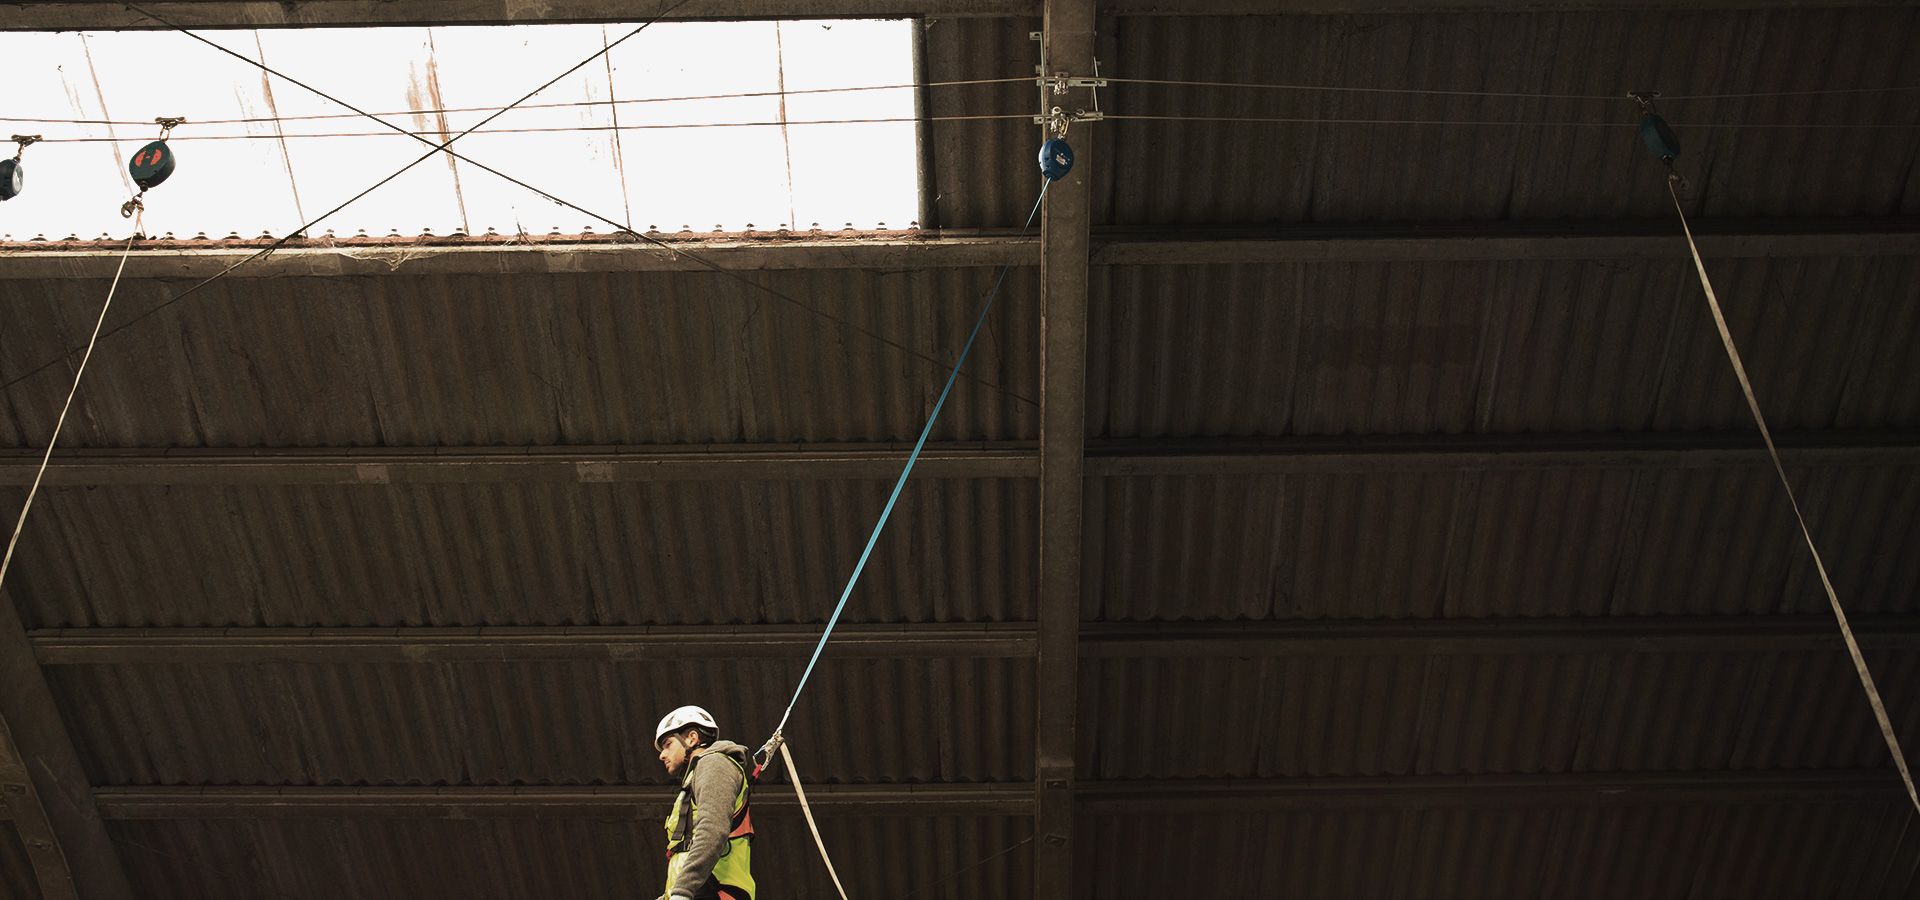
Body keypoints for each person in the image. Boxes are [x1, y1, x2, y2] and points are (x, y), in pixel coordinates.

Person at [654, 705, 757, 900]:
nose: (662, 754)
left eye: (667, 744)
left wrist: (682, 892)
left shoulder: (714, 764)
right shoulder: (697, 776)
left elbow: (712, 829)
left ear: (692, 738)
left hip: (714, 892)